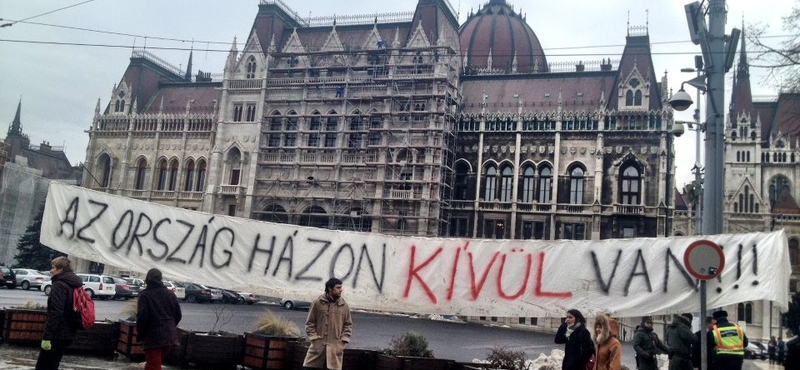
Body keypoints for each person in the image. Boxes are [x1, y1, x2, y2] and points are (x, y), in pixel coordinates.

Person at [36, 256, 83, 370]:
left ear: (60, 269)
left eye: (53, 267)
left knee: (43, 366)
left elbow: (56, 312)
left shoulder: (59, 285)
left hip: (57, 334)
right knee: (53, 364)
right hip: (68, 332)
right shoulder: (74, 284)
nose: (51, 270)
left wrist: (47, 337)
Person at [137, 268, 182, 370]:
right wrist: (170, 326)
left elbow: (142, 318)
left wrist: (141, 335)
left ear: (147, 279)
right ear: (160, 278)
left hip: (153, 338)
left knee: (153, 366)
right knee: (152, 364)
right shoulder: (170, 294)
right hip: (170, 337)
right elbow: (178, 314)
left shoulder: (145, 295)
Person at [303, 277, 353, 370]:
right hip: (317, 349)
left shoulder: (344, 305)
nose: (341, 290)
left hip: (335, 350)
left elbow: (348, 324)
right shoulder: (317, 303)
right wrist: (315, 339)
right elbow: (310, 323)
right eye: (338, 288)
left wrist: (342, 341)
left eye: (341, 287)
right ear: (330, 288)